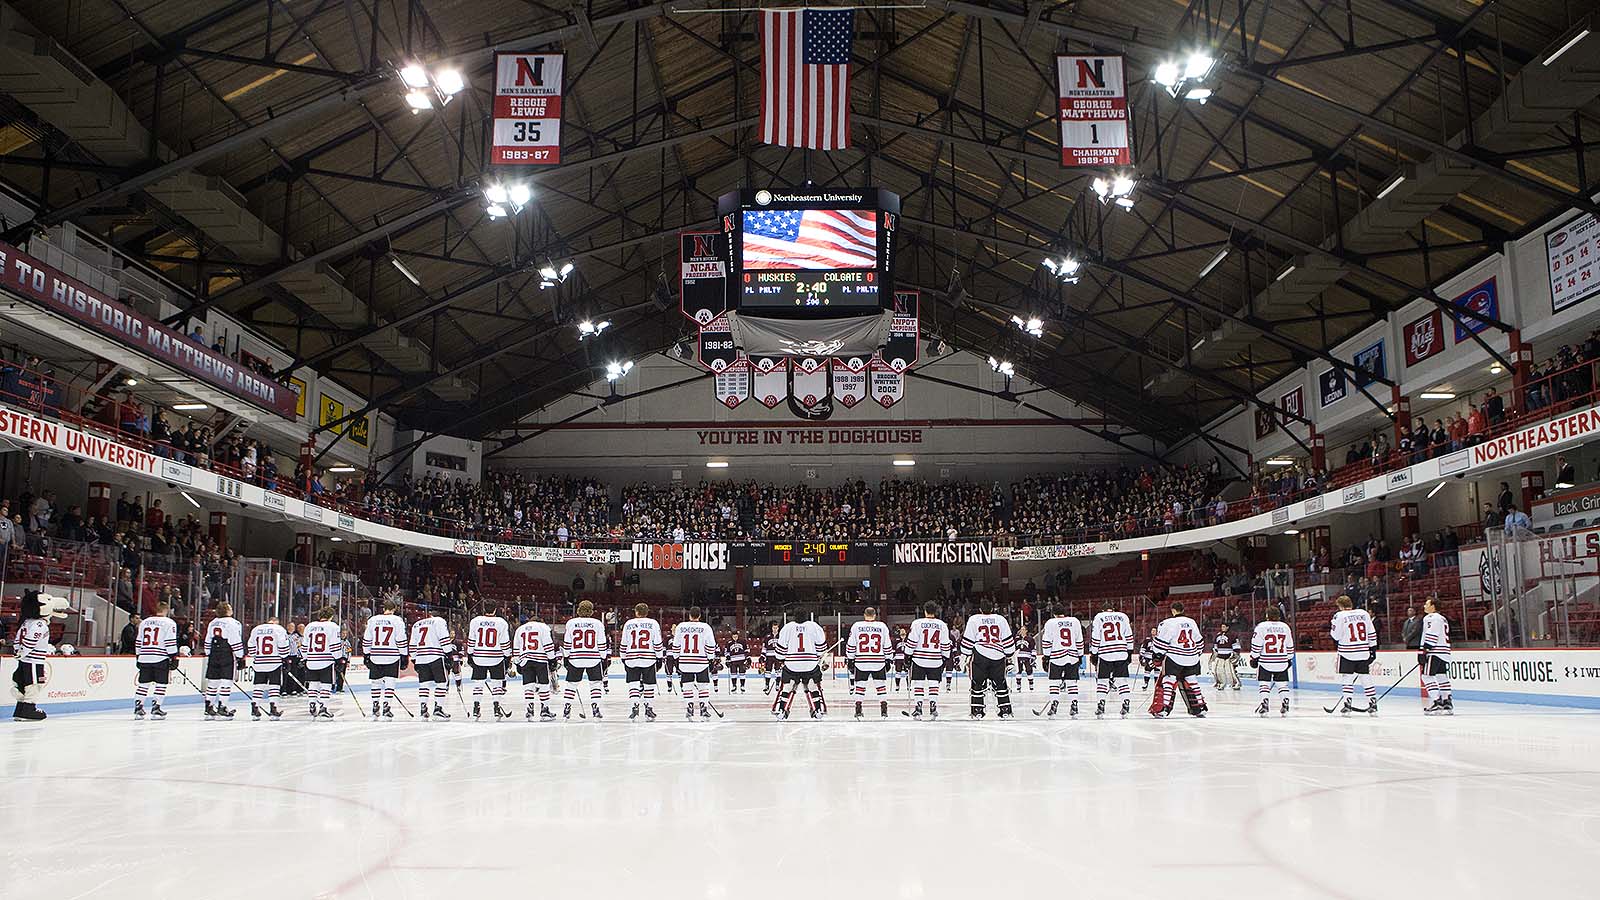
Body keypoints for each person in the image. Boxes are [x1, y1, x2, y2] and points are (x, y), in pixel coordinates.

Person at [10, 591, 68, 720]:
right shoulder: (39, 624)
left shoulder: (27, 621)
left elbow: (18, 638)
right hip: (34, 661)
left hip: (25, 660)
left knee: (24, 683)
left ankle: (20, 709)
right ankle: (29, 709)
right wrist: (22, 652)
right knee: (34, 684)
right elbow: (30, 640)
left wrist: (18, 651)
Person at [1150, 602, 1207, 718]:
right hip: (1191, 656)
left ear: (1173, 610)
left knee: (1168, 681)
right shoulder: (1191, 622)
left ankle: (1164, 708)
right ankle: (1200, 707)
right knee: (1192, 680)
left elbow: (1162, 643)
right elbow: (1199, 641)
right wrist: (1196, 654)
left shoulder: (1168, 623)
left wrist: (1157, 655)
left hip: (1175, 657)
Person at [961, 601, 1015, 719]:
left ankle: (977, 710)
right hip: (998, 656)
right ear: (992, 609)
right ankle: (1005, 709)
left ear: (980, 610)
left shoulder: (974, 619)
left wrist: (966, 654)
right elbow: (1008, 640)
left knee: (977, 683)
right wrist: (1009, 654)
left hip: (980, 656)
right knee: (1000, 683)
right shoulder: (1001, 619)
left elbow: (967, 641)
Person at [1329, 595, 1378, 715]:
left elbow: (1336, 636)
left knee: (1347, 678)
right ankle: (1373, 703)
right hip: (1363, 651)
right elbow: (1371, 632)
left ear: (1340, 606)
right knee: (1365, 677)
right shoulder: (1364, 613)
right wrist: (1373, 649)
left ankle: (1347, 703)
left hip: (1347, 652)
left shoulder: (1339, 616)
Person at [561, 600, 609, 720]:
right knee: (595, 684)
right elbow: (602, 643)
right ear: (591, 611)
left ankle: (567, 707)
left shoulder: (571, 623)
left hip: (575, 658)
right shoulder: (597, 623)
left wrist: (566, 656)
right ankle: (595, 707)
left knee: (571, 684)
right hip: (593, 658)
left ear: (578, 610)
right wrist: (603, 657)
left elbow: (567, 642)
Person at [362, 598, 408, 720]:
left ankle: (375, 706)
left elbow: (367, 639)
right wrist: (404, 655)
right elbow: (401, 639)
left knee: (376, 682)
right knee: (390, 682)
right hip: (391, 656)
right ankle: (386, 708)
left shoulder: (373, 620)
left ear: (384, 608)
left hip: (375, 655)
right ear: (394, 609)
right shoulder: (397, 620)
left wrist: (366, 655)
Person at [774, 616, 828, 719]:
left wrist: (782, 659)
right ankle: (818, 710)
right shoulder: (814, 626)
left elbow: (780, 650)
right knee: (812, 686)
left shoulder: (788, 627)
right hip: (810, 664)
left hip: (792, 664)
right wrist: (817, 656)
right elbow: (821, 648)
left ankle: (781, 710)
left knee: (788, 687)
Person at [133, 600, 178, 719]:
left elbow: (138, 641)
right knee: (161, 684)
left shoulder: (145, 622)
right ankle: (156, 708)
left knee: (143, 684)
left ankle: (138, 708)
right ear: (166, 610)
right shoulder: (169, 622)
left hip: (145, 657)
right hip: (160, 657)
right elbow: (170, 642)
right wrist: (174, 657)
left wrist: (138, 656)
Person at [905, 602, 951, 720]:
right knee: (934, 683)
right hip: (935, 659)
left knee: (918, 683)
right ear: (936, 611)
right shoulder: (942, 625)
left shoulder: (917, 623)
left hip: (919, 659)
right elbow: (945, 643)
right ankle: (933, 706)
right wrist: (945, 657)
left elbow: (912, 641)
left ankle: (918, 707)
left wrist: (908, 655)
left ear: (924, 611)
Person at [466, 605, 513, 720]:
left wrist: (470, 654)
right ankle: (497, 708)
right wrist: (507, 656)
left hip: (479, 657)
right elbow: (505, 642)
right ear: (495, 610)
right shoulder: (501, 622)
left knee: (478, 684)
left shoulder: (475, 621)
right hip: (496, 657)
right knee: (497, 684)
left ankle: (476, 708)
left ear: (484, 610)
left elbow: (471, 640)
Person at [846, 607, 893, 719]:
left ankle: (858, 708)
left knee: (860, 686)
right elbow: (887, 644)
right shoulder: (882, 626)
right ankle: (884, 710)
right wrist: (889, 659)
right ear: (875, 615)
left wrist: (850, 658)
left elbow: (851, 644)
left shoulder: (857, 626)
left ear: (864, 615)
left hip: (861, 661)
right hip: (878, 661)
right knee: (880, 686)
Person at [1089, 603, 1134, 718]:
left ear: (1103, 610)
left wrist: (1094, 652)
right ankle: (1126, 702)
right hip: (1121, 652)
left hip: (1105, 653)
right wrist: (1129, 651)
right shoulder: (1123, 616)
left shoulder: (1099, 617)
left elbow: (1096, 636)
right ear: (1113, 610)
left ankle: (1101, 704)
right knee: (1121, 681)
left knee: (1102, 681)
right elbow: (1129, 635)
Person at [201, 602, 245, 720]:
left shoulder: (213, 622)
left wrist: (208, 653)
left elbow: (207, 640)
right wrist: (240, 656)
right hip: (227, 653)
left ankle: (208, 706)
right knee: (226, 682)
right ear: (227, 610)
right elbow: (235, 640)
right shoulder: (234, 623)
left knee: (213, 682)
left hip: (214, 652)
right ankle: (222, 706)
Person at [672, 607, 718, 720]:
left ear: (689, 616)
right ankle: (704, 709)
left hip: (685, 661)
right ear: (700, 616)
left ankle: (689, 707)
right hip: (701, 661)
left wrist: (676, 658)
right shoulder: (705, 627)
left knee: (687, 686)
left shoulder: (681, 627)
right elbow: (711, 645)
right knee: (703, 686)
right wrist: (711, 659)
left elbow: (676, 645)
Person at [1038, 604, 1084, 718]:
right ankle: (1074, 704)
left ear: (1054, 613)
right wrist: (1080, 655)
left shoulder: (1050, 623)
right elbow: (1079, 639)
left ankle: (1054, 704)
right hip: (1072, 655)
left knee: (1054, 682)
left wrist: (1046, 656)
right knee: (1072, 682)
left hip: (1057, 656)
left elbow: (1046, 641)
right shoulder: (1075, 621)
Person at [619, 603, 663, 720]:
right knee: (649, 685)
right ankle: (649, 709)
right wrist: (659, 657)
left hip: (631, 658)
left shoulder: (628, 624)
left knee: (633, 684)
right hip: (648, 658)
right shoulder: (653, 623)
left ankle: (634, 707)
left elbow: (624, 643)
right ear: (647, 612)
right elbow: (657, 642)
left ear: (636, 612)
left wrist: (623, 657)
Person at [410, 609, 455, 720]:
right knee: (441, 683)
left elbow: (412, 644)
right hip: (435, 656)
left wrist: (414, 659)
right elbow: (444, 639)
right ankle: (438, 709)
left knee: (424, 684)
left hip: (421, 657)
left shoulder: (417, 624)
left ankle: (423, 709)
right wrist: (449, 655)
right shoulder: (439, 621)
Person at [1250, 607, 1295, 717]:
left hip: (1266, 660)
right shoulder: (1285, 627)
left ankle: (1264, 703)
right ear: (1279, 615)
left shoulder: (1261, 627)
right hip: (1281, 660)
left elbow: (1256, 645)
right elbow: (1289, 644)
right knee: (1282, 684)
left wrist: (1254, 658)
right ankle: (1285, 700)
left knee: (1264, 684)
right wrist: (1289, 658)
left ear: (1267, 615)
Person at [513, 612, 557, 721]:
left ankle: (529, 711)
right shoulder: (543, 627)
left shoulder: (520, 629)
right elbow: (548, 644)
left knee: (528, 685)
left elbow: (516, 646)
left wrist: (517, 662)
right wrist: (552, 659)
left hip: (525, 659)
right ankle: (545, 711)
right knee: (544, 685)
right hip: (540, 659)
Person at [302, 608, 343, 719]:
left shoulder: (309, 626)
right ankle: (324, 708)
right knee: (326, 685)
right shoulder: (333, 626)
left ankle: (312, 703)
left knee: (313, 684)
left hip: (311, 660)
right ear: (331, 616)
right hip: (326, 660)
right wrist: (338, 659)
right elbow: (335, 645)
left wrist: (305, 658)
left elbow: (304, 644)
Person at [246, 615, 289, 721]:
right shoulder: (279, 629)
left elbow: (250, 645)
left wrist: (255, 655)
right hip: (274, 662)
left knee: (258, 686)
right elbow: (283, 646)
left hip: (259, 662)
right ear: (276, 622)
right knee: (274, 686)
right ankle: (273, 709)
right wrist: (284, 656)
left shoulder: (256, 629)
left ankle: (255, 707)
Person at [1420, 598, 1454, 715]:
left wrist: (1424, 650)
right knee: (1441, 676)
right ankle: (1447, 701)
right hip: (1444, 651)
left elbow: (1431, 633)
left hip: (1434, 651)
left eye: (1427, 604)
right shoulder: (1442, 618)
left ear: (1433, 606)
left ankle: (1436, 701)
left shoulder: (1430, 618)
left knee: (1426, 676)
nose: (1424, 606)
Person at [1211, 624, 1241, 692]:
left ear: (1228, 627)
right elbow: (1215, 645)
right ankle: (1221, 684)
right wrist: (1215, 652)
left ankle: (1235, 684)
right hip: (1220, 656)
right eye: (1222, 626)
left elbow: (1236, 646)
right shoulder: (1218, 635)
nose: (1222, 628)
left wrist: (1235, 654)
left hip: (1229, 656)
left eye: (1224, 627)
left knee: (1230, 672)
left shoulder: (1232, 635)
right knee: (1218, 671)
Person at [1013, 626, 1036, 693]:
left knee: (1029, 671)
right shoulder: (1017, 639)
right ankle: (1018, 687)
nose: (1022, 631)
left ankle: (1031, 687)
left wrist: (1033, 657)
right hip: (1018, 656)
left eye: (1023, 629)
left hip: (1027, 656)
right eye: (1021, 629)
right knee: (1018, 671)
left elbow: (1033, 648)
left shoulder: (1030, 638)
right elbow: (1014, 647)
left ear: (1026, 631)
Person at [761, 622, 782, 695]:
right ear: (772, 628)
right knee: (768, 671)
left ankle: (777, 685)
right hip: (769, 657)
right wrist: (762, 656)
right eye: (774, 628)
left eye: (776, 628)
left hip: (778, 656)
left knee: (778, 671)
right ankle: (767, 685)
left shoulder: (781, 636)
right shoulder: (767, 636)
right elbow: (764, 647)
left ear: (778, 628)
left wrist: (784, 656)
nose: (775, 629)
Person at [890, 628, 909, 693]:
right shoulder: (896, 640)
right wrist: (892, 658)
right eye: (902, 634)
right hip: (898, 658)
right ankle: (897, 686)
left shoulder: (908, 640)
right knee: (898, 672)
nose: (903, 635)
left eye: (904, 634)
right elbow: (893, 649)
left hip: (906, 658)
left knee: (907, 673)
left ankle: (908, 686)